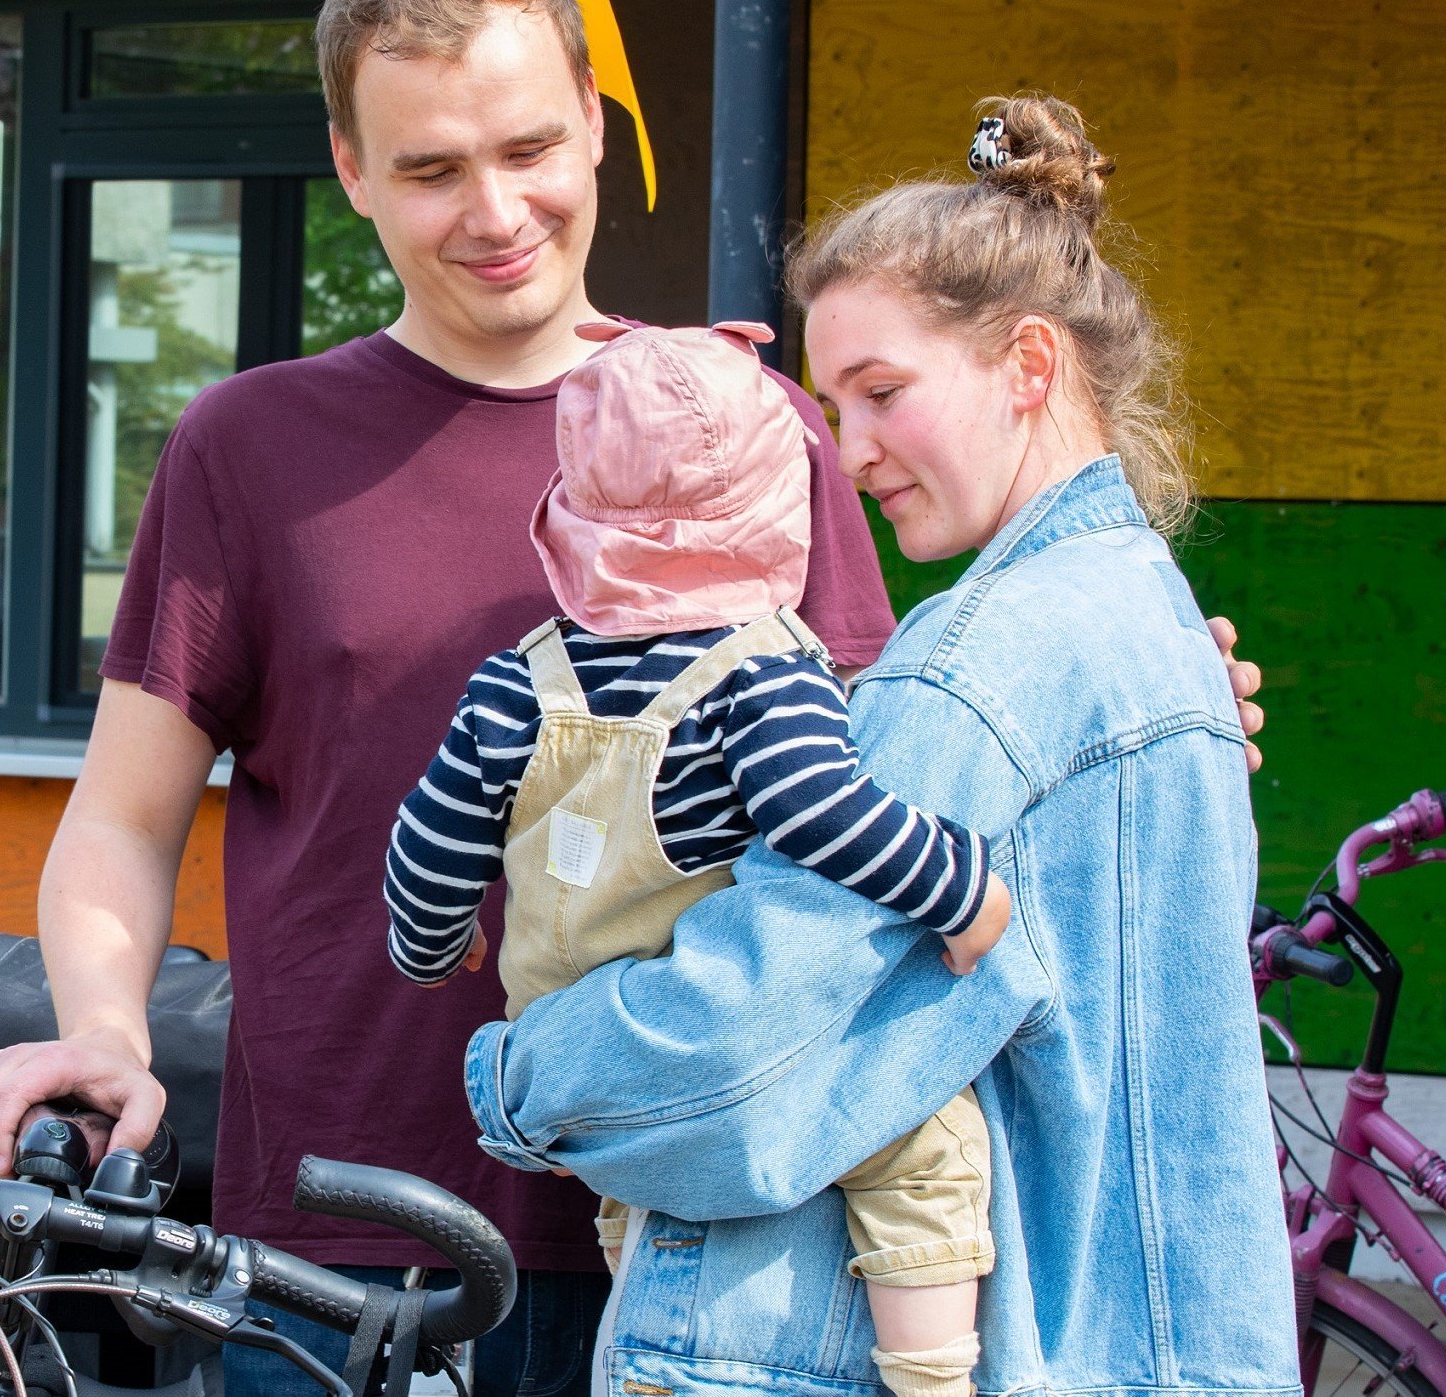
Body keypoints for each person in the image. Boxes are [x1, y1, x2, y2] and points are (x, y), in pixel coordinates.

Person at [0, 0, 1269, 1386]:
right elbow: (124, 821)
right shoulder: (247, 448)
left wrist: (1119, 712)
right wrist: (103, 1032)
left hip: (696, 1237)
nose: (497, 211)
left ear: (593, 119)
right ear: (352, 168)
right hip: (340, 1237)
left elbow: (860, 797)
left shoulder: (755, 423)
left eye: (527, 148)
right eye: (434, 167)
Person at [464, 95, 1301, 1397]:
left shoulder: (971, 671)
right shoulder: (1155, 627)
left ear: (1030, 366)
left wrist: (520, 1073)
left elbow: (741, 1058)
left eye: (883, 393)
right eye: (830, 409)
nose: (849, 457)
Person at [387, 318, 1012, 1397]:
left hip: (579, 1062)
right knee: (923, 1140)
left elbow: (428, 842)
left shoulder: (513, 681)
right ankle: (934, 1376)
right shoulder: (760, 675)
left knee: (638, 1195)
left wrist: (435, 941)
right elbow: (825, 812)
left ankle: (650, 1348)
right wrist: (958, 889)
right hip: (706, 1041)